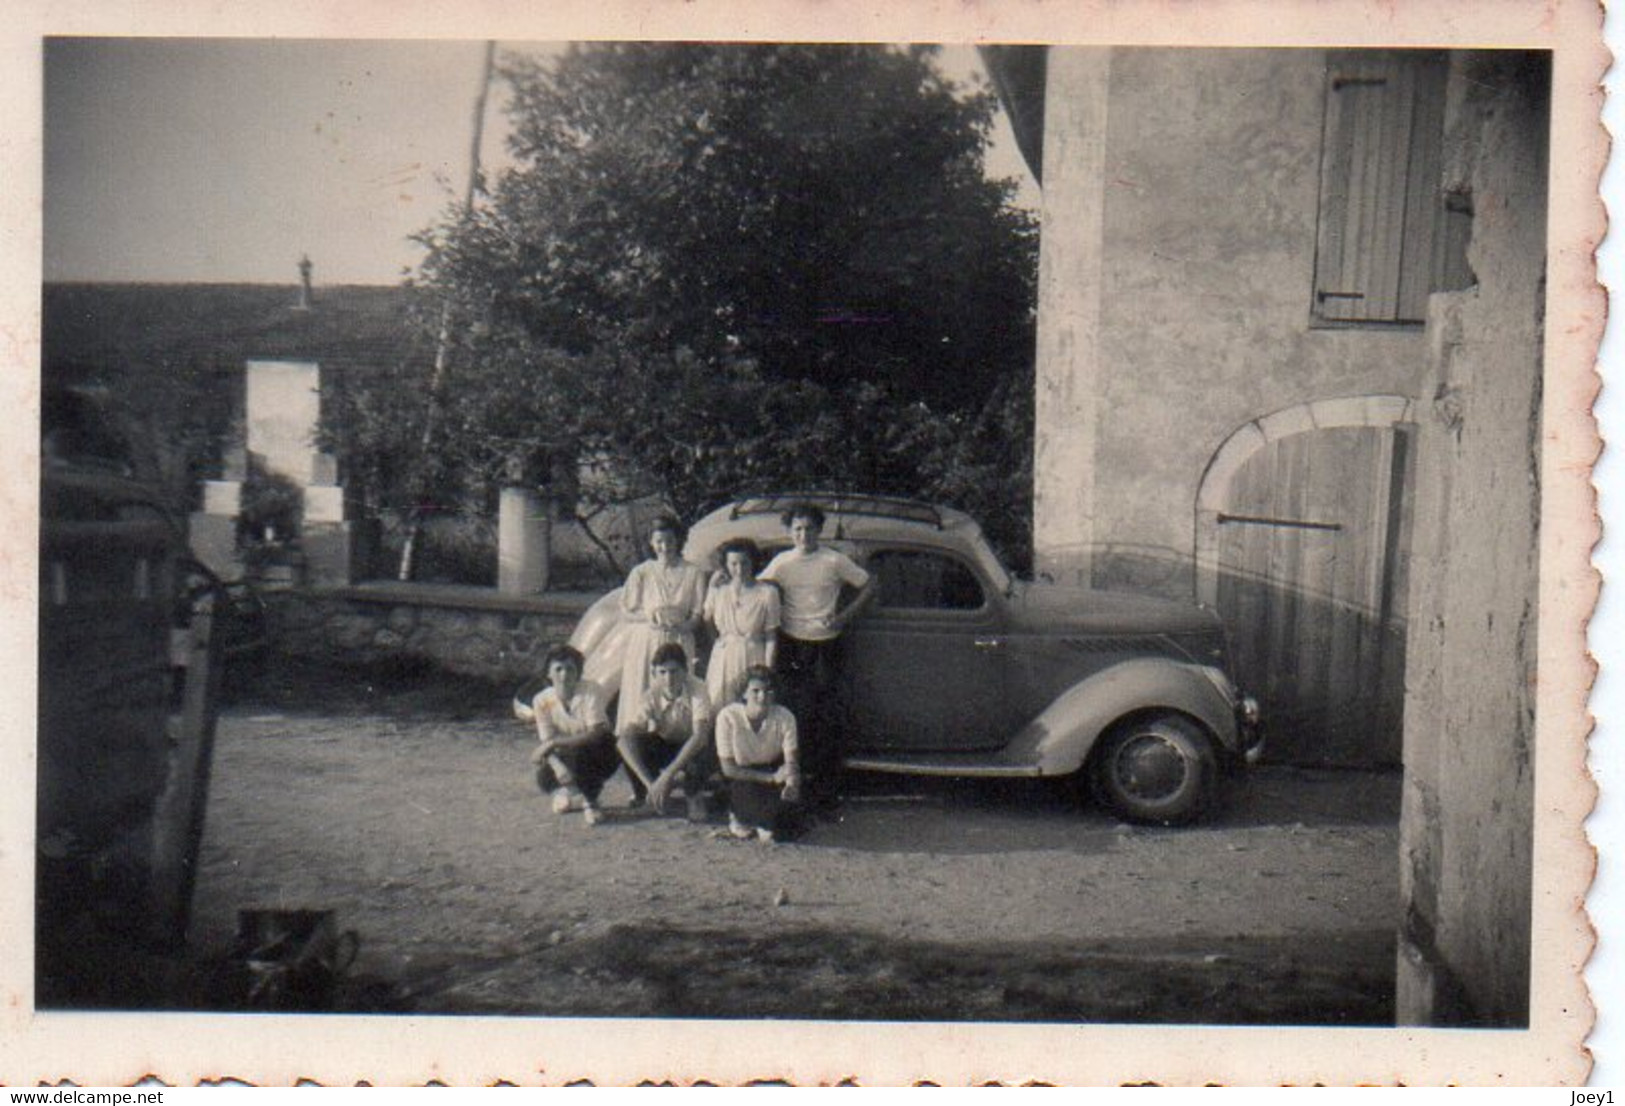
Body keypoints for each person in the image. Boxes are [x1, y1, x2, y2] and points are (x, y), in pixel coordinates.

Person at [756, 502, 875, 809]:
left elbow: (870, 584)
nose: (803, 534)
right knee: (795, 715)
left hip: (827, 645)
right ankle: (797, 785)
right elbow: (755, 587)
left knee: (828, 717)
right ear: (789, 532)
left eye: (809, 528)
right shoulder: (782, 563)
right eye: (797, 528)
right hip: (793, 645)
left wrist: (844, 617)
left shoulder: (834, 561)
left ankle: (827, 792)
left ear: (819, 530)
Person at [616, 515, 707, 736]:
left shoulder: (693, 573)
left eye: (670, 541)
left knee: (676, 693)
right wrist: (649, 618)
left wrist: (682, 627)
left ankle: (673, 746)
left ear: (679, 541)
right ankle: (638, 744)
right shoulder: (642, 572)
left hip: (679, 641)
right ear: (651, 542)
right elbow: (626, 611)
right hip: (648, 640)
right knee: (643, 693)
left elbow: (698, 614)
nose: (664, 547)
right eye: (659, 541)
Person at [616, 643, 716, 820]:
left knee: (706, 747)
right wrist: (652, 784)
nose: (669, 679)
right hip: (667, 743)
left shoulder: (698, 688)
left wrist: (667, 775)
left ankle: (694, 795)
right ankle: (649, 795)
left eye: (674, 671)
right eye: (662, 672)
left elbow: (699, 736)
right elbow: (624, 740)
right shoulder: (650, 694)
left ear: (685, 671)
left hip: (692, 746)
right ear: (654, 673)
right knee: (632, 741)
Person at [528, 644, 619, 826]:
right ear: (548, 673)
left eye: (570, 669)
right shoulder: (541, 700)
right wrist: (557, 766)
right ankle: (567, 791)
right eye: (558, 669)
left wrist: (555, 743)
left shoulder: (591, 690)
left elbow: (596, 732)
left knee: (585, 754)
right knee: (544, 777)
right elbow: (546, 740)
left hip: (598, 750)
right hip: (566, 752)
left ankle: (591, 802)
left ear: (578, 671)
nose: (564, 675)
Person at [714, 666, 801, 843]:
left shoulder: (785, 717)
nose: (762, 696)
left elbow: (791, 761)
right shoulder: (727, 716)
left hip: (773, 771)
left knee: (777, 829)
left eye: (768, 690)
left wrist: (791, 784)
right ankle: (739, 818)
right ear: (744, 694)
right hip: (742, 777)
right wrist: (771, 778)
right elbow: (728, 769)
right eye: (756, 691)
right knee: (762, 829)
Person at [703, 537, 781, 708]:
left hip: (753, 655)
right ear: (726, 565)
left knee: (750, 706)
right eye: (734, 564)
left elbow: (771, 637)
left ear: (753, 562)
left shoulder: (767, 593)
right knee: (718, 704)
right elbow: (707, 620)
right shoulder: (719, 591)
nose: (739, 569)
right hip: (724, 656)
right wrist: (719, 644)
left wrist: (766, 671)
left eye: (744, 563)